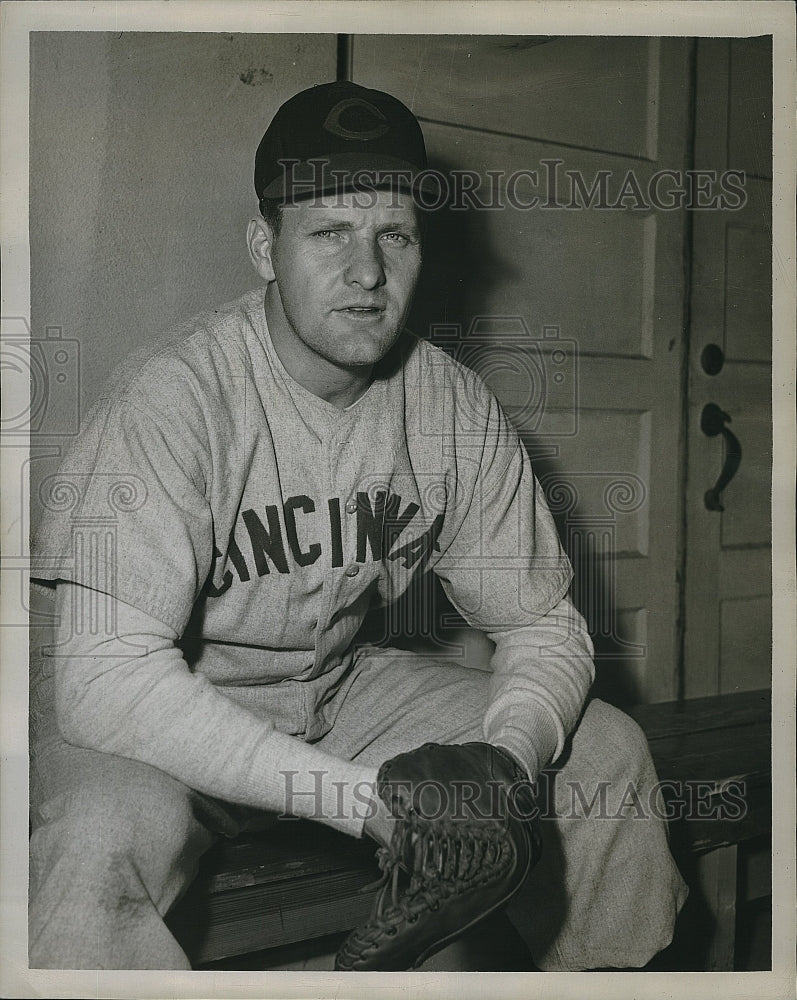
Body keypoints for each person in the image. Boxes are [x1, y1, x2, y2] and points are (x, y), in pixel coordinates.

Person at [29, 80, 687, 971]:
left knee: (604, 752)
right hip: (147, 710)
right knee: (106, 833)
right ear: (265, 246)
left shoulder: (451, 404)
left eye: (394, 234)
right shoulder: (173, 397)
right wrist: (375, 802)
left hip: (330, 690)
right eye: (330, 231)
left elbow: (540, 626)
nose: (368, 271)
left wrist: (499, 766)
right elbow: (106, 686)